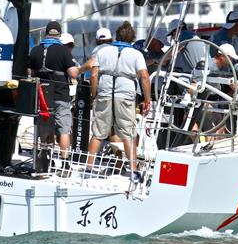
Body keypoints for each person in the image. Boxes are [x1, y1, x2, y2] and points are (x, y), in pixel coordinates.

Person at [86, 21, 151, 184]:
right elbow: (144, 77)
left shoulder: (103, 51)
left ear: (116, 36)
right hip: (125, 96)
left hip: (105, 93)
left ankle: (87, 169)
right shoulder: (136, 54)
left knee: (98, 133)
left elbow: (93, 75)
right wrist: (148, 99)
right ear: (132, 38)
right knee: (128, 134)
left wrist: (93, 94)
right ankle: (134, 172)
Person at [28, 21, 79, 155]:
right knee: (64, 130)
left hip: (42, 96)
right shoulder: (63, 51)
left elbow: (30, 73)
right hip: (60, 95)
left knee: (44, 127)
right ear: (59, 34)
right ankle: (65, 162)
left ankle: (43, 158)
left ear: (46, 34)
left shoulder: (35, 50)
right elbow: (73, 73)